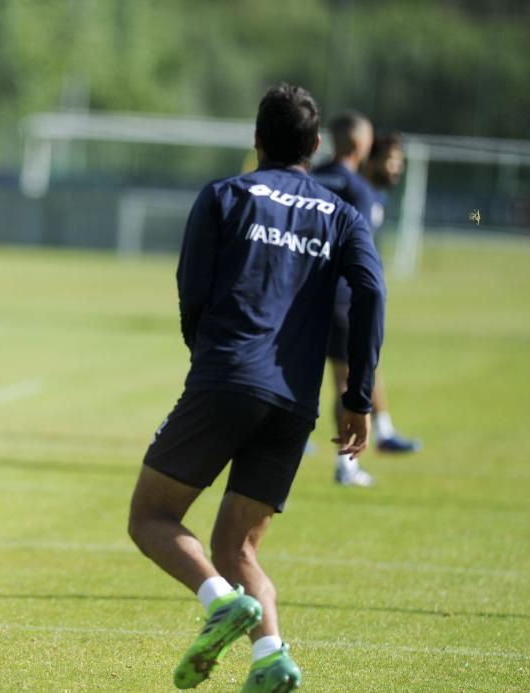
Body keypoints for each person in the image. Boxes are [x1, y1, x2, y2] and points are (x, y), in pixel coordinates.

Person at [128, 84, 385, 691]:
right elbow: (371, 294)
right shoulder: (342, 214)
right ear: (315, 145)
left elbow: (191, 286)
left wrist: (207, 354)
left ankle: (219, 602)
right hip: (294, 404)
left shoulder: (226, 195)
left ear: (256, 139)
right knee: (237, 547)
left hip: (227, 378)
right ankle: (270, 655)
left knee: (151, 517)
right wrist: (357, 396)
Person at [314, 118, 419, 487]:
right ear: (360, 145)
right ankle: (347, 466)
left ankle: (291, 444)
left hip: (303, 295)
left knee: (307, 374)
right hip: (344, 297)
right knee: (348, 381)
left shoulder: (311, 178)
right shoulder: (358, 190)